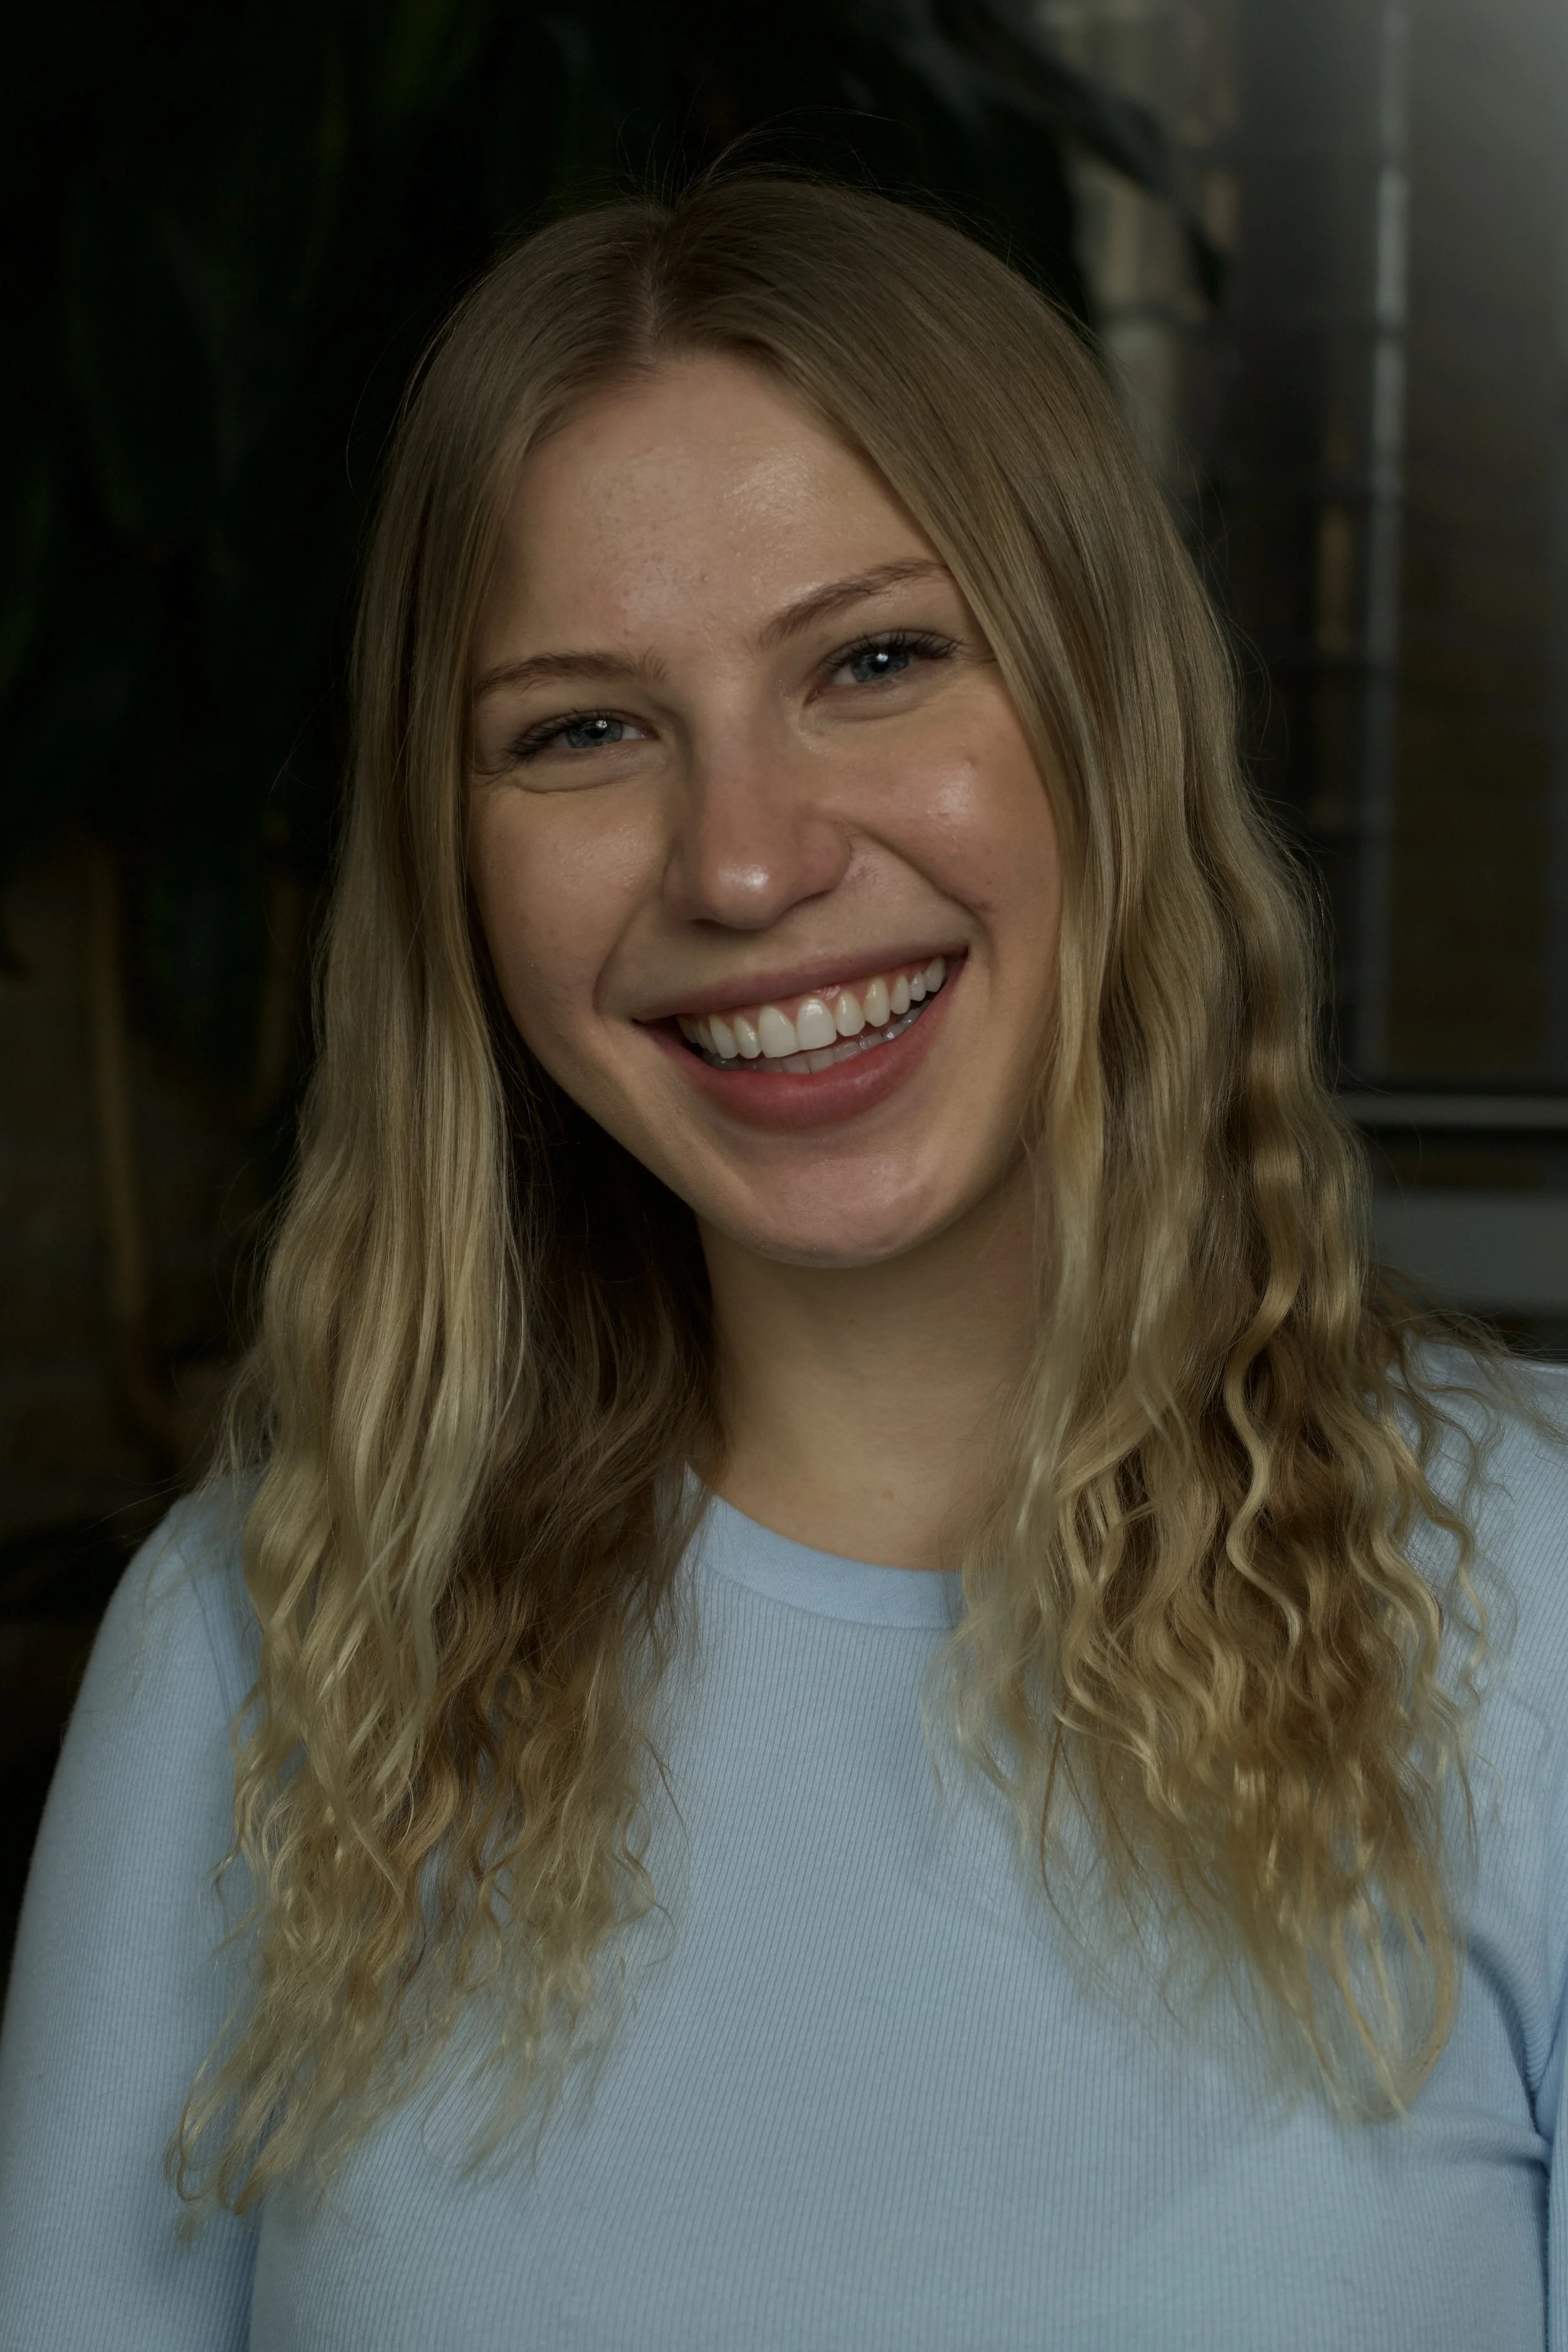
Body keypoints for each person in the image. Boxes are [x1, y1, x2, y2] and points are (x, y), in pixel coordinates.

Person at [1, 172, 1566, 2352]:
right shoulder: (260, 1656)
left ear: (1111, 711)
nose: (743, 858)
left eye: (874, 659)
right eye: (580, 729)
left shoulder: (1538, 1598)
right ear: (452, 866)